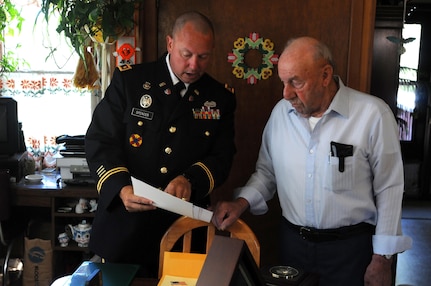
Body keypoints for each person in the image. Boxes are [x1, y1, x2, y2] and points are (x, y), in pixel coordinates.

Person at [212, 37, 412, 286]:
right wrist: (241, 203)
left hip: (350, 251)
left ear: (325, 75)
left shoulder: (373, 115)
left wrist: (383, 259)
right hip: (293, 247)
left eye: (296, 82)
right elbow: (267, 173)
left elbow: (389, 189)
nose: (286, 94)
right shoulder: (280, 114)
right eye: (283, 82)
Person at [85, 11, 236, 278]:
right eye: (186, 54)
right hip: (124, 228)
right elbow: (101, 140)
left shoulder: (219, 97)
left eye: (203, 57)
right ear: (170, 44)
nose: (193, 65)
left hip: (186, 232)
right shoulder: (130, 82)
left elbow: (222, 156)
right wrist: (120, 188)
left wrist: (191, 179)